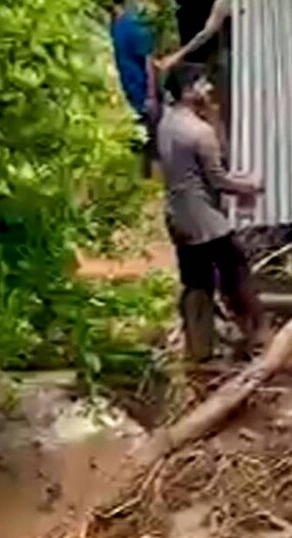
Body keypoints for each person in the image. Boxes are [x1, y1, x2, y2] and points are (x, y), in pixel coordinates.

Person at [158, 62, 265, 362]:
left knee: (196, 282)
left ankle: (199, 349)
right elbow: (219, 179)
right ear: (190, 91)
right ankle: (257, 337)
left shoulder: (167, 122)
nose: (210, 89)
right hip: (204, 219)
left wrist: (213, 115)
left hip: (177, 217)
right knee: (237, 272)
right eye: (204, 84)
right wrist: (251, 186)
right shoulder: (199, 131)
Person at [161, 0, 232, 154]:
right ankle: (220, 158)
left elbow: (209, 32)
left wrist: (178, 54)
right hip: (199, 62)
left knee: (212, 111)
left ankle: (221, 158)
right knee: (212, 112)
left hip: (202, 63)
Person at [108, 0, 158, 176]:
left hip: (137, 90)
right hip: (123, 89)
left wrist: (151, 95)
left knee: (141, 137)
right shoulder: (114, 27)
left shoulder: (134, 27)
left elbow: (148, 62)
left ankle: (143, 178)